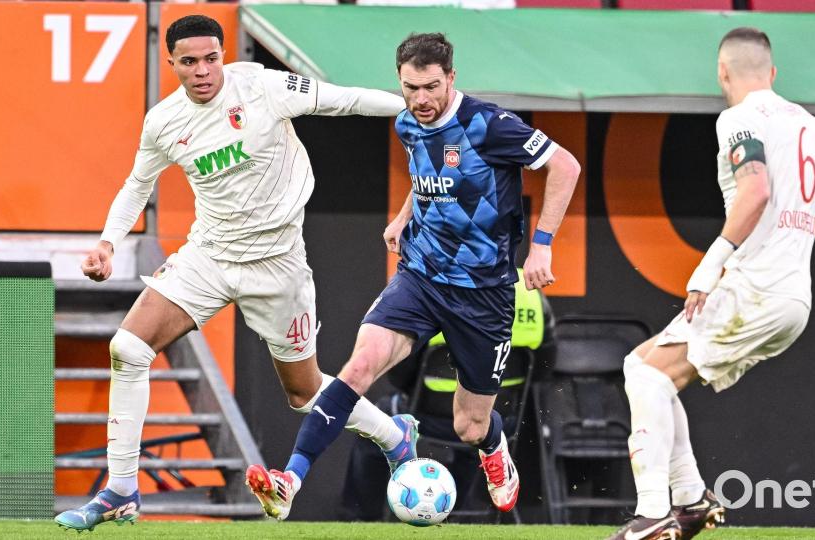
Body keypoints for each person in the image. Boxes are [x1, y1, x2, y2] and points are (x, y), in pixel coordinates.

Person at [54, 15, 420, 532]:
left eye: (210, 58)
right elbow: (137, 185)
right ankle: (119, 490)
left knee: (305, 392)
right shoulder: (164, 121)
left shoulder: (264, 86)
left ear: (222, 54)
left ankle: (394, 437)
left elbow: (345, 99)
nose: (202, 70)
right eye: (189, 62)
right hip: (211, 254)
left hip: (278, 265)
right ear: (172, 63)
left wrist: (419, 107)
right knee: (128, 348)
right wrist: (108, 243)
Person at [245, 32, 580, 518]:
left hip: (483, 294)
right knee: (357, 367)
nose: (420, 100)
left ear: (451, 78)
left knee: (469, 424)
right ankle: (289, 480)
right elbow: (431, 175)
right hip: (420, 276)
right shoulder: (408, 122)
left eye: (430, 87)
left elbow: (565, 166)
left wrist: (542, 246)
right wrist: (406, 214)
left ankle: (493, 446)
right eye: (410, 88)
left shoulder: (489, 125)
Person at [609, 27, 815, 540]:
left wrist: (708, 265)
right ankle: (691, 501)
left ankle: (656, 511)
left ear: (722, 72)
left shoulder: (738, 119)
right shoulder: (809, 125)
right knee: (647, 369)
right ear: (773, 73)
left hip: (755, 287)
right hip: (793, 299)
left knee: (647, 377)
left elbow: (756, 190)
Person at [339, 271, 555, 521]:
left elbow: (400, 375)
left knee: (374, 423)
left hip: (429, 418)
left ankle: (359, 519)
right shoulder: (530, 294)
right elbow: (543, 369)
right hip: (499, 421)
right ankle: (451, 512)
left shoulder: (432, 284)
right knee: (472, 438)